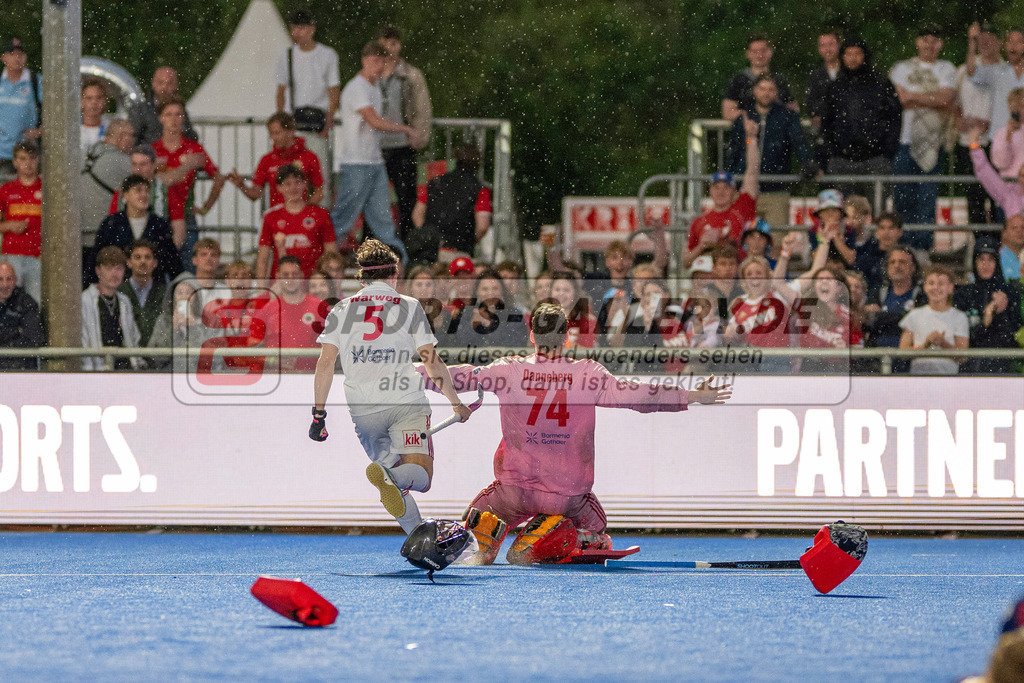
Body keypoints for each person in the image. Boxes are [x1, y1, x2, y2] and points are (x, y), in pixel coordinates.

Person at [418, 302, 732, 565]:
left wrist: (408, 374)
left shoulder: (507, 370)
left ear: (531, 336)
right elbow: (638, 395)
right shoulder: (588, 374)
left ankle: (483, 534)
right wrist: (690, 396)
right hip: (567, 495)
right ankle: (550, 536)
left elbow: (456, 377)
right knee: (597, 527)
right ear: (567, 338)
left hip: (514, 491)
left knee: (479, 513)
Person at [311, 238, 472, 534]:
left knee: (392, 481)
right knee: (419, 476)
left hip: (363, 411)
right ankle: (392, 478)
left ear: (361, 276)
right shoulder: (409, 305)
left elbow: (324, 364)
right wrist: (455, 402)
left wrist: (318, 414)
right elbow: (430, 359)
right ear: (394, 274)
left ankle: (419, 538)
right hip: (404, 403)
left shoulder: (341, 309)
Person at [331, 41, 416, 263]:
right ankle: (322, 261)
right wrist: (404, 128)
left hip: (374, 162)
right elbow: (373, 120)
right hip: (357, 162)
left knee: (383, 221)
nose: (380, 67)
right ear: (365, 60)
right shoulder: (356, 88)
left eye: (383, 62)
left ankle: (400, 265)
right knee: (343, 218)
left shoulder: (374, 87)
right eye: (376, 61)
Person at [889, 23, 956, 248]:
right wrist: (932, 99)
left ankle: (923, 249)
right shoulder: (901, 68)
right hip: (905, 141)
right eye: (924, 39)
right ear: (917, 42)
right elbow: (900, 99)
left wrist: (915, 97)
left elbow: (947, 99)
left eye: (933, 39)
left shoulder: (947, 68)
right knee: (903, 198)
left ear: (940, 44)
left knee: (927, 199)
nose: (929, 44)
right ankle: (903, 247)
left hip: (933, 143)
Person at [726, 73, 815, 226]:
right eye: (762, 89)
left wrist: (807, 162)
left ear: (776, 93)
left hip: (776, 187)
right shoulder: (744, 117)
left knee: (776, 240)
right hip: (746, 188)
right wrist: (730, 176)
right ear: (754, 91)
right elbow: (733, 149)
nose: (766, 93)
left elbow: (799, 142)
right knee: (742, 238)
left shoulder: (787, 117)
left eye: (770, 89)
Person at [819, 35, 902, 197]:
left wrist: (887, 150)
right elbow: (826, 121)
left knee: (876, 212)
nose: (852, 59)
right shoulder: (835, 87)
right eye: (848, 54)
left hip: (875, 159)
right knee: (845, 213)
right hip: (842, 160)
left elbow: (894, 118)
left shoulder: (880, 84)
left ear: (865, 56)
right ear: (842, 57)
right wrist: (832, 151)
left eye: (857, 54)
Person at [274, 8, 340, 206]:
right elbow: (280, 92)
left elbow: (333, 91)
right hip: (296, 123)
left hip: (317, 122)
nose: (296, 33)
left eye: (301, 28)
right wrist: (282, 125)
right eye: (293, 29)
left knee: (321, 176)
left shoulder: (327, 55)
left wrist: (327, 124)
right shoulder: (287, 56)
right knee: (293, 176)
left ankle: (320, 216)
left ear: (311, 29)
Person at [151, 98, 226, 269]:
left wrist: (206, 207)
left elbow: (218, 177)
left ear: (184, 117)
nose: (174, 119)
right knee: (159, 269)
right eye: (168, 114)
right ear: (161, 118)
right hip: (159, 215)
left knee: (190, 269)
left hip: (186, 215)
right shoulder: (153, 149)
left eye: (178, 114)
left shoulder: (193, 148)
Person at [683, 118, 761, 269]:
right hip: (711, 279)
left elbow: (752, 170)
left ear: (733, 191)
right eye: (716, 187)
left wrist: (751, 139)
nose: (721, 191)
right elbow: (685, 263)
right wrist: (702, 246)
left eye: (726, 187)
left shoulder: (742, 207)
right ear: (710, 191)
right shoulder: (699, 222)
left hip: (739, 274)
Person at [379, 26, 432, 240]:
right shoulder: (373, 72)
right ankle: (374, 243)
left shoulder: (410, 75)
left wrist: (419, 136)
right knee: (375, 198)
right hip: (377, 146)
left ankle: (408, 243)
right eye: (386, 42)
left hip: (402, 144)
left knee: (406, 198)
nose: (390, 48)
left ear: (399, 45)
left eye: (394, 43)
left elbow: (423, 107)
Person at [409, 143, 491, 265]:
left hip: (431, 253)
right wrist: (470, 240)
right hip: (459, 252)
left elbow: (416, 214)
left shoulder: (435, 183)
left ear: (456, 159)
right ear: (478, 164)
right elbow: (482, 226)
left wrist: (428, 236)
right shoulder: (480, 190)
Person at [94, 174, 184, 285]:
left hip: (154, 290)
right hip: (118, 287)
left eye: (146, 191)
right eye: (138, 191)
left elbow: (173, 263)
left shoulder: (159, 225)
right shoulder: (111, 224)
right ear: (126, 195)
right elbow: (97, 257)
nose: (144, 195)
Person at [255, 165, 337, 283]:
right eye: (287, 184)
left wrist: (329, 286)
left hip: (313, 284)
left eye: (297, 182)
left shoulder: (320, 214)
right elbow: (263, 258)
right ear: (279, 187)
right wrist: (261, 291)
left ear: (305, 184)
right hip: (282, 284)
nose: (293, 187)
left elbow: (331, 254)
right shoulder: (270, 217)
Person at [956, 21, 1003, 225]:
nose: (986, 42)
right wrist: (958, 119)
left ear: (1000, 42)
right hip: (967, 142)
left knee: (996, 196)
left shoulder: (1007, 71)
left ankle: (998, 243)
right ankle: (978, 246)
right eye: (981, 38)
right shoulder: (963, 70)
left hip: (995, 143)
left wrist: (990, 123)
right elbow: (954, 100)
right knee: (972, 195)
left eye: (990, 38)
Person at [953, 237, 1022, 374]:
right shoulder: (963, 293)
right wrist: (987, 317)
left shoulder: (1010, 293)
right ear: (974, 262)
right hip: (969, 366)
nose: (986, 264)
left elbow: (1010, 340)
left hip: (1000, 366)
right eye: (981, 259)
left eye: (991, 259)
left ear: (997, 262)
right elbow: (966, 339)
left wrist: (1000, 312)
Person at [228, 111, 324, 208]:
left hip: (300, 219)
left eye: (277, 133)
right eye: (271, 134)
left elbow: (319, 192)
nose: (273, 137)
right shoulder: (267, 160)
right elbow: (255, 194)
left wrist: (301, 212)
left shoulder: (309, 157)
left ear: (290, 132)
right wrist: (242, 185)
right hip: (277, 219)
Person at [81, 118, 135, 284]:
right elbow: (147, 180)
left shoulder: (87, 154)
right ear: (121, 138)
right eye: (132, 136)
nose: (134, 140)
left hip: (78, 231)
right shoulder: (121, 161)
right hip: (100, 234)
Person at [253, 255, 323, 373]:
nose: (290, 278)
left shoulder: (320, 308)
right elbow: (251, 349)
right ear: (278, 276)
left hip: (311, 378)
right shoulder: (267, 310)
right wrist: (272, 361)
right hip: (275, 379)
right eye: (286, 275)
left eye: (294, 274)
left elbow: (335, 347)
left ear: (301, 275)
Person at [899, 264, 969, 375]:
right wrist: (925, 345)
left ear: (950, 288)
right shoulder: (914, 315)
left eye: (941, 284)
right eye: (931, 283)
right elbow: (903, 352)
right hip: (919, 379)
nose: (936, 287)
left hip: (949, 380)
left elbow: (963, 356)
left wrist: (944, 344)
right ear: (925, 287)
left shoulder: (959, 317)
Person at [81, 246, 142, 371]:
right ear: (98, 271)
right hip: (96, 370)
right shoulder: (85, 300)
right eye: (109, 268)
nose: (114, 273)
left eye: (119, 268)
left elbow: (133, 338)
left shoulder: (124, 301)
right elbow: (83, 340)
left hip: (123, 369)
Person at [864, 246, 927, 358]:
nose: (897, 266)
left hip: (910, 356)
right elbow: (869, 320)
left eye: (902, 262)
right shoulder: (878, 292)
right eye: (892, 262)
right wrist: (903, 318)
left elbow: (920, 323)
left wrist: (882, 318)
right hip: (878, 357)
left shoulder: (922, 293)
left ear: (913, 267)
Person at [968, 26, 1024, 150]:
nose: (1013, 46)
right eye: (1010, 41)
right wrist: (972, 42)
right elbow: (971, 72)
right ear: (1005, 45)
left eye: (1018, 42)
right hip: (999, 139)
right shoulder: (997, 70)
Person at [0, 141, 42, 303]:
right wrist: (9, 225)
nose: (28, 163)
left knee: (35, 301)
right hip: (12, 256)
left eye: (32, 158)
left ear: (38, 160)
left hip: (38, 256)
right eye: (23, 159)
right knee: (8, 300)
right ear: (15, 162)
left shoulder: (46, 189)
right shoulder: (6, 190)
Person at [721, 34, 797, 121]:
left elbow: (793, 110)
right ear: (748, 54)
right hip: (747, 133)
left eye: (763, 51)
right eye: (755, 51)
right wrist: (754, 118)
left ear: (770, 52)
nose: (759, 55)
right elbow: (727, 113)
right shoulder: (738, 81)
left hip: (776, 133)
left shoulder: (780, 80)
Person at [450, 268, 530, 350]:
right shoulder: (466, 313)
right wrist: (472, 326)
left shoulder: (514, 314)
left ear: (502, 290)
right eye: (485, 289)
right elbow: (457, 345)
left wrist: (491, 326)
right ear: (477, 292)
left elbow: (518, 345)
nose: (490, 293)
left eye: (495, 288)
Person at [0, 38, 41, 175]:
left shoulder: (35, 81)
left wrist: (41, 130)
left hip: (26, 155)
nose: (17, 58)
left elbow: (56, 110)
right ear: (4, 57)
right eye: (13, 54)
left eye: (21, 54)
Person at [118, 239, 169, 349]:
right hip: (126, 358)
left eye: (147, 257)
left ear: (155, 263)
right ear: (129, 263)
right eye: (137, 257)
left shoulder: (165, 293)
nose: (143, 262)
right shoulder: (119, 292)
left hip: (157, 357)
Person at [129, 66, 198, 145]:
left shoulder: (179, 109)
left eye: (169, 83)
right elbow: (133, 139)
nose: (164, 87)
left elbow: (192, 136)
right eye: (160, 83)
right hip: (149, 154)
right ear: (153, 84)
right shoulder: (140, 109)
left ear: (176, 86)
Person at [807, 30, 842, 170]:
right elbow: (812, 105)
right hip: (825, 138)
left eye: (831, 44)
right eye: (823, 45)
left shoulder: (849, 74)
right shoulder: (815, 76)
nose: (827, 49)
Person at [0, 259, 43, 370]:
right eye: (0, 279)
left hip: (22, 372)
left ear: (15, 280)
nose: (5, 284)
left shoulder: (26, 302)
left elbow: (35, 338)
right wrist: (16, 331)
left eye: (9, 279)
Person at [854, 211, 905, 291]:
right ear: (877, 231)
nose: (886, 233)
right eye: (882, 228)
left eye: (891, 228)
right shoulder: (867, 254)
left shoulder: (906, 256)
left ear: (900, 232)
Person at [988, 88, 1024, 177]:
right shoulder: (1001, 134)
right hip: (1011, 183)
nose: (1019, 111)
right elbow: (1000, 164)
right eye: (1015, 107)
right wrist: (1008, 136)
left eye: (1022, 106)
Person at [79, 77, 112, 158]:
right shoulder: (71, 128)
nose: (94, 102)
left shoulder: (112, 128)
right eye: (89, 98)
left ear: (105, 100)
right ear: (81, 102)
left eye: (99, 98)